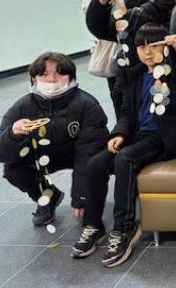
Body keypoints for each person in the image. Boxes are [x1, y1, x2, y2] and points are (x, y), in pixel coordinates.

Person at [72, 24, 176, 266]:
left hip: (166, 137)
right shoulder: (134, 76)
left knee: (125, 159)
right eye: (141, 46)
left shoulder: (173, 72)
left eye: (154, 46)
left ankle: (124, 228)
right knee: (95, 164)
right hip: (139, 136)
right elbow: (126, 111)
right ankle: (93, 225)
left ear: (164, 46)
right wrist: (120, 133)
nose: (147, 52)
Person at [0, 53, 107, 227]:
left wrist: (80, 195)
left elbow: (89, 151)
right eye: (44, 75)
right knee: (13, 170)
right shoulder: (22, 106)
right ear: (34, 79)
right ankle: (48, 198)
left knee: (98, 163)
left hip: (75, 154)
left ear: (71, 77)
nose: (51, 80)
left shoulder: (86, 104)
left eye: (59, 73)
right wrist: (13, 134)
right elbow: (2, 152)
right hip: (41, 156)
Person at [82, 0, 151, 114]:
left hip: (145, 47)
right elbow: (89, 14)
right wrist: (103, 1)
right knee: (121, 97)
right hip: (115, 47)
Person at [86, 0, 176, 72]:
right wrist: (100, 3)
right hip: (136, 74)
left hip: (175, 73)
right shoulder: (134, 16)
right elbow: (102, 29)